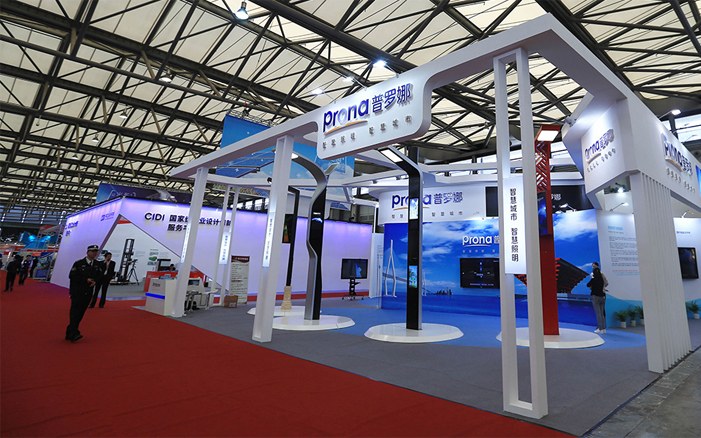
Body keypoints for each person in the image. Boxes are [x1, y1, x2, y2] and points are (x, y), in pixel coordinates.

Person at [66, 244, 102, 342]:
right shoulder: (79, 263)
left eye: (96, 252)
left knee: (81, 313)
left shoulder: (97, 264)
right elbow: (72, 276)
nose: (94, 253)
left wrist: (95, 281)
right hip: (77, 291)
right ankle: (74, 333)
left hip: (88, 292)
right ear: (88, 252)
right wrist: (85, 279)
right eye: (92, 251)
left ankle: (70, 331)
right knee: (75, 312)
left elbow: (99, 276)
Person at [587, 262, 607, 334]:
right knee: (602, 313)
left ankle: (600, 328)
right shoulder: (602, 276)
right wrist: (603, 288)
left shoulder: (593, 277)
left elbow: (588, 284)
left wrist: (592, 280)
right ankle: (604, 328)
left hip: (595, 296)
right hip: (602, 295)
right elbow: (606, 283)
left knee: (598, 313)